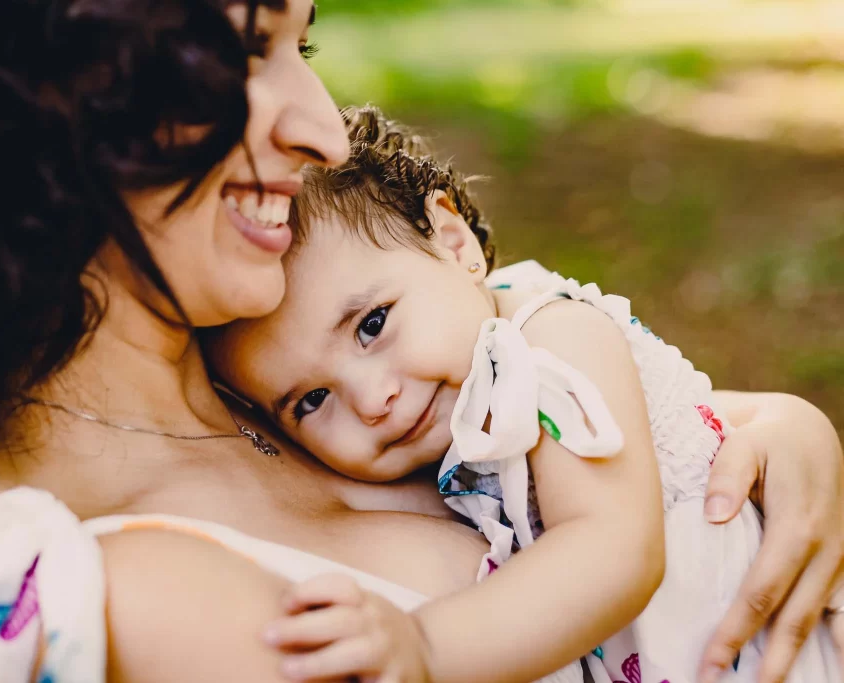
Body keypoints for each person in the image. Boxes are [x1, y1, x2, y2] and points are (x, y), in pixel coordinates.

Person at [0, 0, 841, 681]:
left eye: (296, 49)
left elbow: (594, 425)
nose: (323, 131)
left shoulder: (237, 362)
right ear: (44, 110)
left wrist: (768, 437)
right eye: (245, 53)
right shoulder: (130, 604)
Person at [205, 104, 844, 682]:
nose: (373, 399)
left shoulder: (552, 341)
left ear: (453, 244)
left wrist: (424, 646)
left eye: (372, 324)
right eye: (311, 400)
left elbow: (612, 548)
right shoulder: (447, 413)